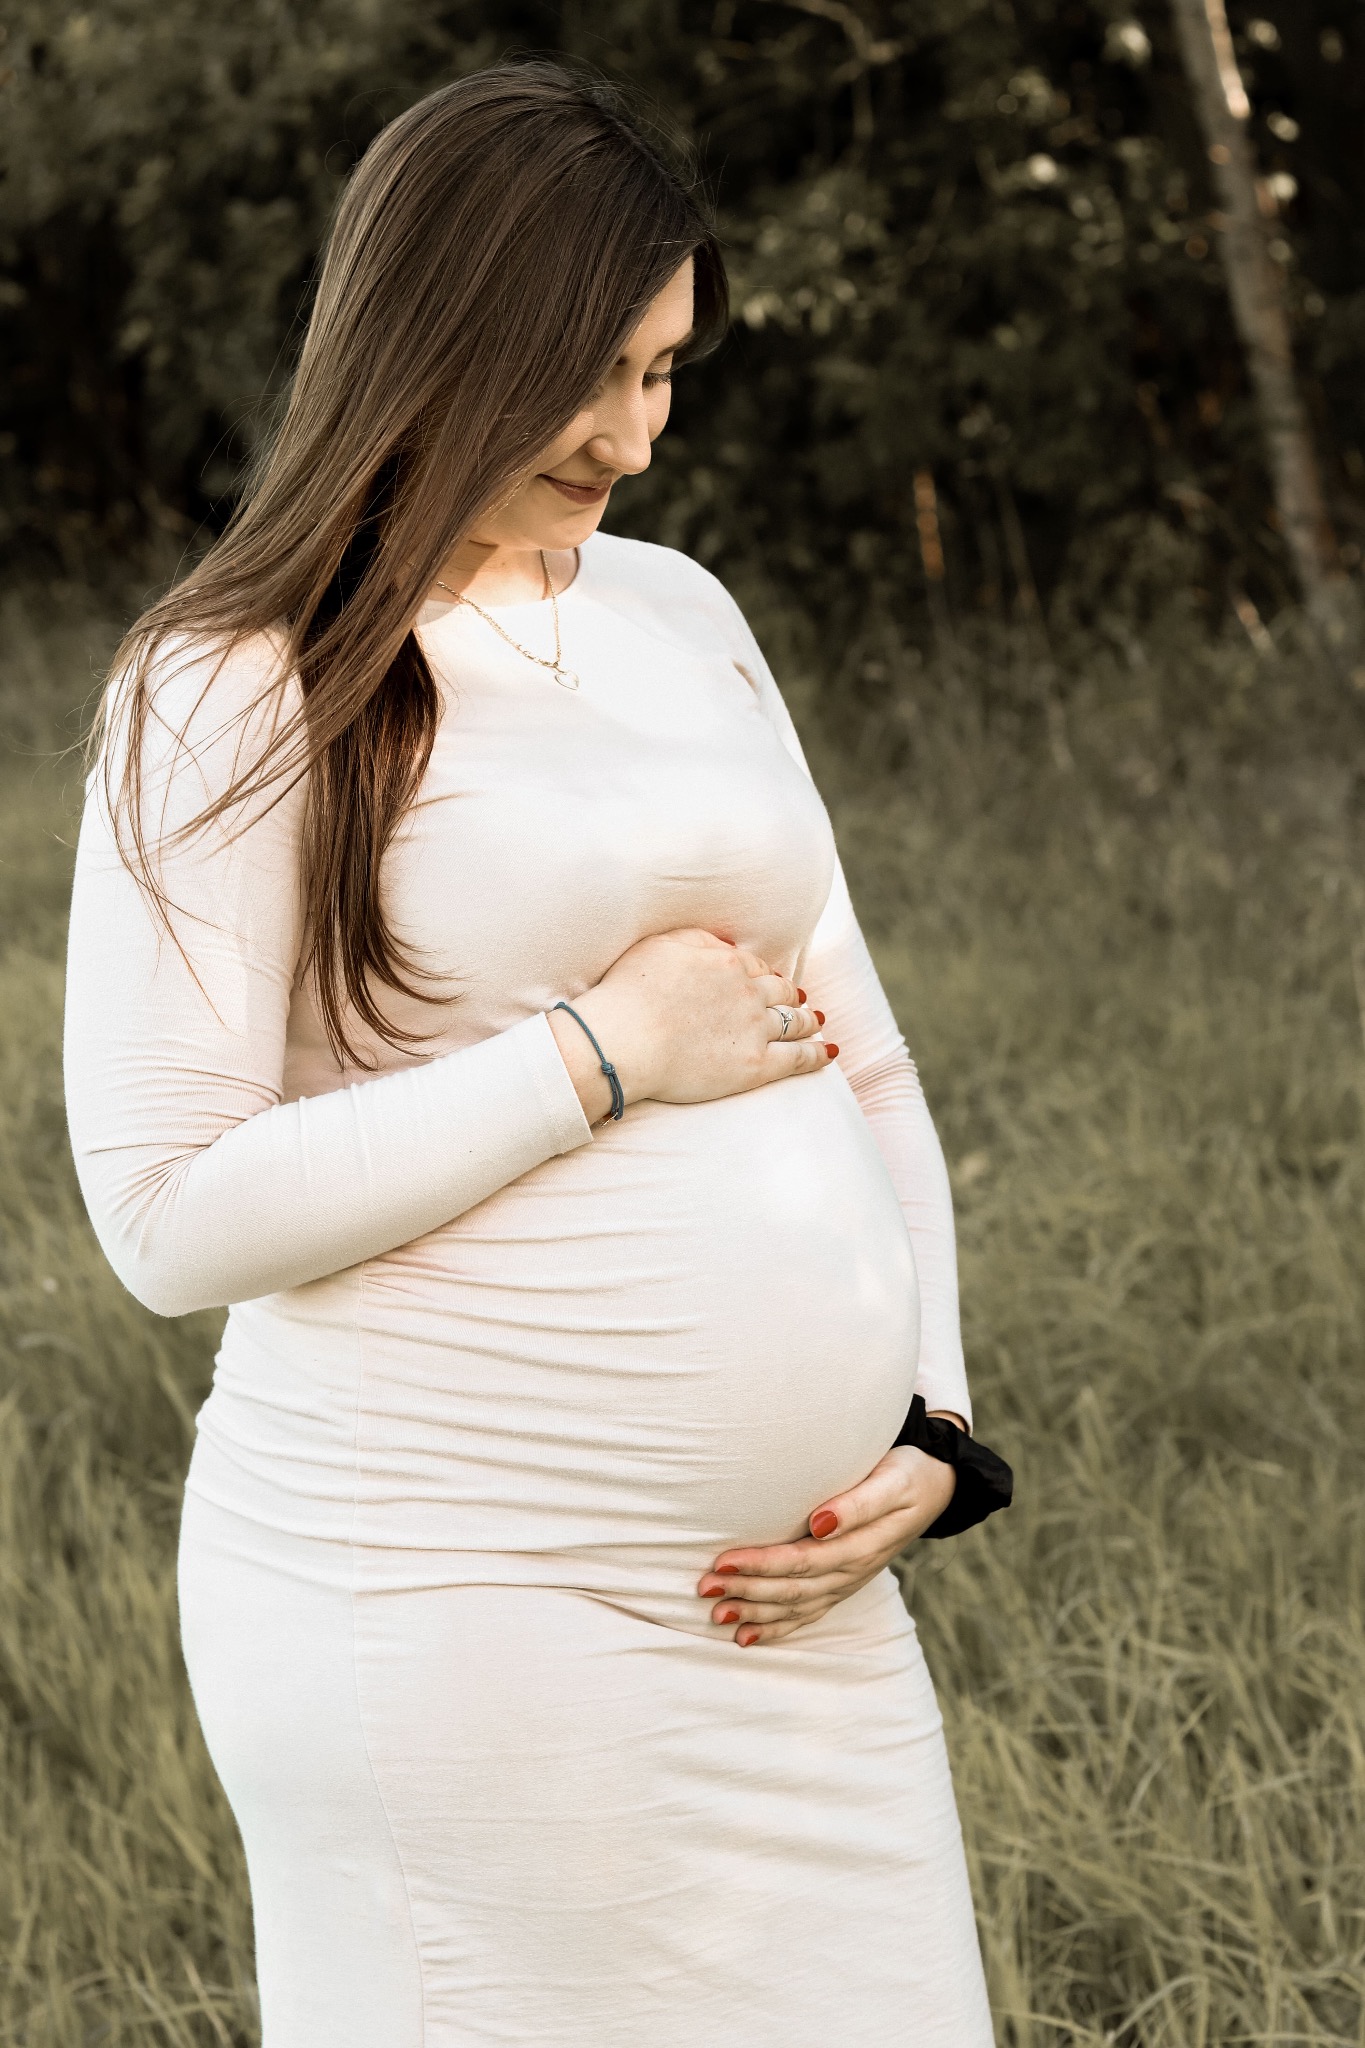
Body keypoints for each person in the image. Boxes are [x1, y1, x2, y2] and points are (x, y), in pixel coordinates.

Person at [64, 60, 999, 2047]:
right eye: (591, 375)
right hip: (452, 1613)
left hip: (795, 1622)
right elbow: (163, 1213)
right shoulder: (230, 681)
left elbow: (870, 1071)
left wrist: (928, 1421)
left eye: (664, 374)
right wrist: (597, 1052)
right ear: (437, 339)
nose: (633, 441)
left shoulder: (680, 612)